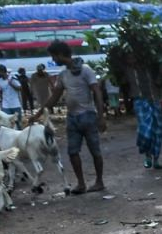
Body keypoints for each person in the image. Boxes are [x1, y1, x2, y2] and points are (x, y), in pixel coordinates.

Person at [29, 41, 106, 194]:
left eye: (53, 56)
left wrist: (101, 116)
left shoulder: (85, 70)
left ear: (60, 54)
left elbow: (97, 93)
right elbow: (54, 98)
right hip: (73, 118)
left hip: (88, 116)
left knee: (95, 151)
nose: (53, 59)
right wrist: (37, 115)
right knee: (73, 152)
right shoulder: (63, 74)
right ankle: (81, 183)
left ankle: (99, 181)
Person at [124, 53, 162, 169]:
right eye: (128, 58)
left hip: (154, 100)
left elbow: (159, 82)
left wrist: (161, 72)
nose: (130, 59)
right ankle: (147, 156)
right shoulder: (127, 71)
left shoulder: (149, 68)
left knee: (157, 131)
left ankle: (156, 159)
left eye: (132, 56)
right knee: (145, 131)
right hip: (140, 102)